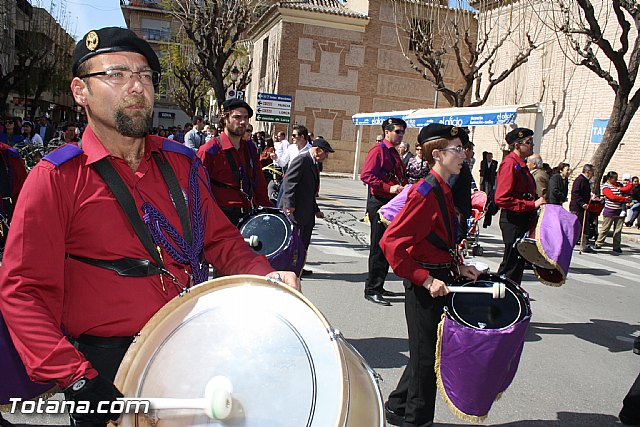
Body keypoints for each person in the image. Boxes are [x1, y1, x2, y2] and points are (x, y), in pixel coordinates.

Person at [0, 27, 299, 427]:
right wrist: (74, 379)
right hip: (107, 364)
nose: (136, 86)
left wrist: (268, 275)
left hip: (192, 345)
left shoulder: (181, 164)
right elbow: (23, 291)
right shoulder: (56, 178)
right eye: (116, 74)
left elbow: (221, 241)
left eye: (143, 75)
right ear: (80, 91)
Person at [381, 123, 481, 427]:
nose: (464, 154)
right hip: (425, 284)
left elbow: (440, 237)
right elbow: (391, 243)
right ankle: (416, 420)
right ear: (437, 154)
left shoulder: (443, 187)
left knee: (428, 351)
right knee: (427, 362)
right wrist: (425, 279)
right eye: (457, 149)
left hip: (442, 276)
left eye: (463, 149)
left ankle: (398, 404)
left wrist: (459, 266)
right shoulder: (425, 192)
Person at [197, 99, 272, 226]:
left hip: (247, 216)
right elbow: (197, 189)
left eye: (246, 117)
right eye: (237, 117)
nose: (243, 122)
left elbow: (259, 183)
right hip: (219, 219)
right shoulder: (209, 150)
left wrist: (268, 211)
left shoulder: (250, 148)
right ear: (225, 119)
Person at [360, 117, 408, 306]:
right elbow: (366, 175)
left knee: (386, 246)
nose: (401, 134)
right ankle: (372, 289)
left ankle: (378, 285)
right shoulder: (379, 150)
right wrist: (389, 188)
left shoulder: (393, 152)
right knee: (379, 248)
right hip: (380, 202)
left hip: (390, 203)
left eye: (403, 131)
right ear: (387, 132)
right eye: (397, 131)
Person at [494, 127, 545, 284]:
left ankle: (509, 300)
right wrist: (531, 204)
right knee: (510, 266)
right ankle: (498, 299)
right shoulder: (510, 164)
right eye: (528, 142)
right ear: (517, 145)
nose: (532, 145)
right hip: (513, 220)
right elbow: (501, 198)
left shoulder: (520, 164)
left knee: (516, 266)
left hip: (521, 220)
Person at [279, 138, 334, 267]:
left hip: (306, 212)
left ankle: (299, 267)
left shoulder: (313, 163)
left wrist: (316, 210)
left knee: (303, 243)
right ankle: (290, 268)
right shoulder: (302, 160)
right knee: (294, 243)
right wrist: (289, 205)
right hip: (296, 211)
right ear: (318, 150)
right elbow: (289, 183)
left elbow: (309, 192)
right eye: (325, 153)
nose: (326, 157)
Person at [595, 171, 633, 253]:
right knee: (605, 228)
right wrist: (623, 199)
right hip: (610, 210)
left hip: (620, 210)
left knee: (618, 230)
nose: (616, 180)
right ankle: (599, 243)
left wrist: (628, 199)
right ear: (609, 178)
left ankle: (616, 246)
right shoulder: (605, 186)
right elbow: (612, 197)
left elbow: (626, 191)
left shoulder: (619, 185)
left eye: (617, 178)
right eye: (614, 178)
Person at [569, 163, 596, 252]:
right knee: (576, 227)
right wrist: (582, 203)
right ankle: (570, 244)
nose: (593, 174)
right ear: (588, 172)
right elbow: (575, 193)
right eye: (592, 172)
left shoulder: (585, 181)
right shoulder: (580, 180)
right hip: (577, 208)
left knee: (585, 227)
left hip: (583, 208)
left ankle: (585, 245)